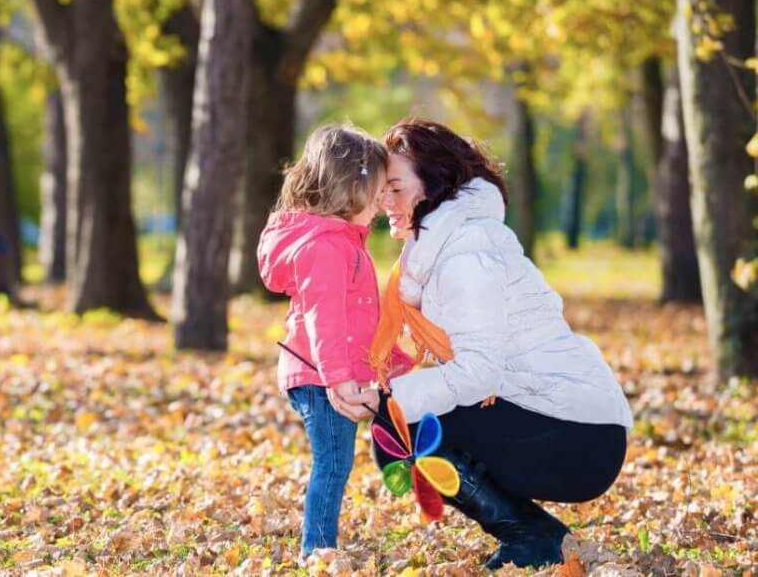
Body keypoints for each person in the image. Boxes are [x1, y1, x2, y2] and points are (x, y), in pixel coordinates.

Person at [331, 118, 633, 570]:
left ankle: (529, 536)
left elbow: (477, 374)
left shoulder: (467, 254)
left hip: (581, 435)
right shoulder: (441, 245)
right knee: (396, 425)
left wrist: (389, 399)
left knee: (398, 428)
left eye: (395, 187)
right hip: (556, 416)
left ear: (433, 183)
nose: (383, 200)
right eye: (381, 189)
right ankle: (538, 534)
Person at [257, 124, 413, 559]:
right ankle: (317, 550)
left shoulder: (344, 241)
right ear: (354, 187)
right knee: (333, 462)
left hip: (329, 372)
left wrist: (393, 360)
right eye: (381, 190)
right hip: (320, 376)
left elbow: (362, 316)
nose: (385, 202)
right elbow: (325, 322)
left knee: (338, 460)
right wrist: (340, 380)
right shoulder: (326, 248)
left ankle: (320, 546)